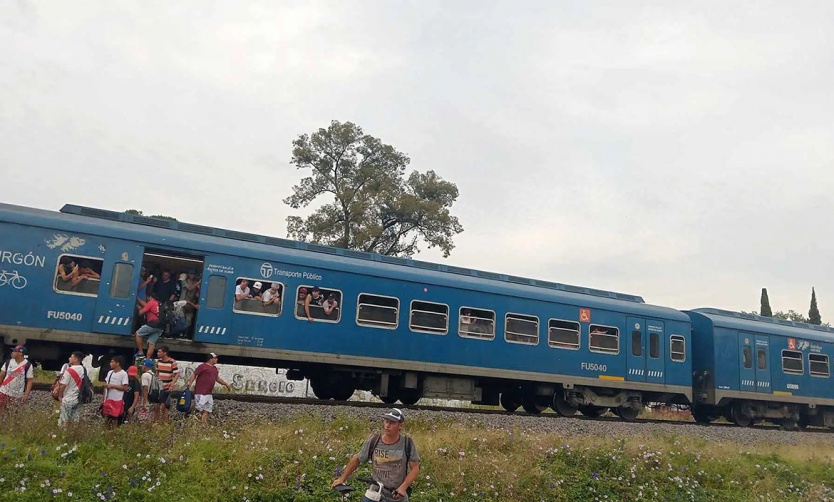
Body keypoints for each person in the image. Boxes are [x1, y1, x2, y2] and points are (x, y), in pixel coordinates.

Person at [332, 408, 419, 501]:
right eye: (386, 421)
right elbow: (357, 459)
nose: (387, 425)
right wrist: (342, 479)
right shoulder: (374, 441)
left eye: (392, 423)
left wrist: (403, 487)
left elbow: (415, 468)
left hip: (397, 496)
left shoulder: (407, 443)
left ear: (400, 425)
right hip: (375, 493)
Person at [184, 352, 232, 426]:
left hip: (208, 393)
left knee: (207, 409)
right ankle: (191, 414)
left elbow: (217, 378)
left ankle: (203, 424)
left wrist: (226, 384)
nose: (217, 359)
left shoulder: (215, 369)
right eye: (215, 358)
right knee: (199, 408)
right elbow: (194, 374)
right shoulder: (202, 366)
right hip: (200, 391)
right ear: (210, 359)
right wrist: (190, 382)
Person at [0, 345, 34, 412]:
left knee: (12, 413)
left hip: (17, 394)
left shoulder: (28, 365)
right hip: (3, 391)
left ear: (20, 353)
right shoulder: (8, 362)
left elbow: (30, 380)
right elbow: (1, 375)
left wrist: (26, 394)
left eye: (14, 351)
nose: (12, 352)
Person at [57, 351, 86, 426]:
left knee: (64, 420)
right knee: (74, 420)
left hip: (68, 398)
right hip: (78, 397)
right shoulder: (83, 370)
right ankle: (73, 434)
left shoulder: (69, 371)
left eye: (71, 357)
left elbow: (63, 385)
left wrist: (60, 396)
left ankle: (64, 435)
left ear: (75, 359)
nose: (69, 358)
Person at [135, 291, 164, 360]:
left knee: (138, 333)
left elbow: (141, 313)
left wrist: (139, 308)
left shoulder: (151, 302)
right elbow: (146, 305)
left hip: (153, 324)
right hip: (161, 326)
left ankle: (141, 352)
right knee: (151, 342)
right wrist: (138, 299)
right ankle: (147, 360)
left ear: (150, 297)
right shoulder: (159, 304)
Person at [102, 356, 129, 429]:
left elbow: (125, 388)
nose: (110, 364)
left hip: (117, 400)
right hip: (108, 399)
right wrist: (103, 399)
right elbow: (106, 386)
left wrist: (113, 386)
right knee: (107, 418)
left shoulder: (123, 374)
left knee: (114, 419)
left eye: (112, 362)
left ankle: (113, 434)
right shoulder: (110, 372)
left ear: (118, 363)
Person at [155, 346, 179, 424]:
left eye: (160, 352)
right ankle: (156, 422)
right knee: (157, 405)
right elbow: (157, 371)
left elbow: (176, 374)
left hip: (167, 386)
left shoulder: (172, 362)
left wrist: (172, 384)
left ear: (165, 353)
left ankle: (165, 423)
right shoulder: (159, 361)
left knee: (164, 406)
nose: (158, 353)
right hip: (159, 387)